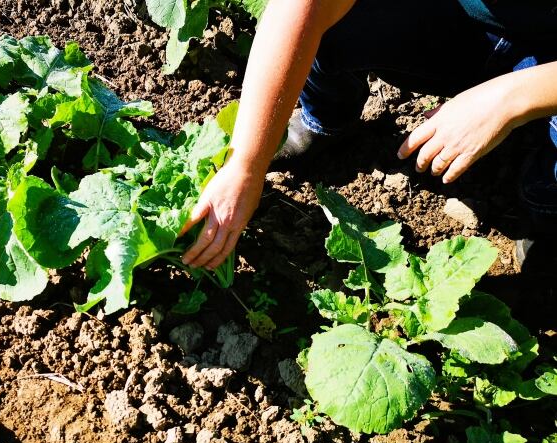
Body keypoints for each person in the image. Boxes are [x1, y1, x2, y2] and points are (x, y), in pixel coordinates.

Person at [180, 0, 557, 270]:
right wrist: (246, 163)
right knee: (331, 23)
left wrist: (509, 100)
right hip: (466, 22)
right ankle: (326, 119)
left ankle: (547, 207)